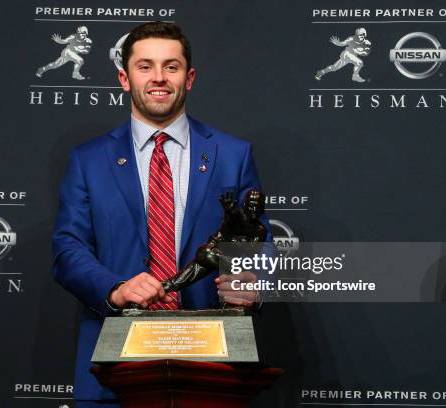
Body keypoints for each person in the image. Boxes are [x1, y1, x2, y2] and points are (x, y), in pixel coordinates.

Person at [51, 22, 271, 407]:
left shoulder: (233, 154)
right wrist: (114, 288)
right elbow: (68, 248)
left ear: (189, 78)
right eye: (145, 66)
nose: (158, 78)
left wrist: (253, 284)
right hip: (116, 365)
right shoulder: (88, 160)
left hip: (211, 363)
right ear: (124, 77)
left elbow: (255, 240)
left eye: (171, 67)